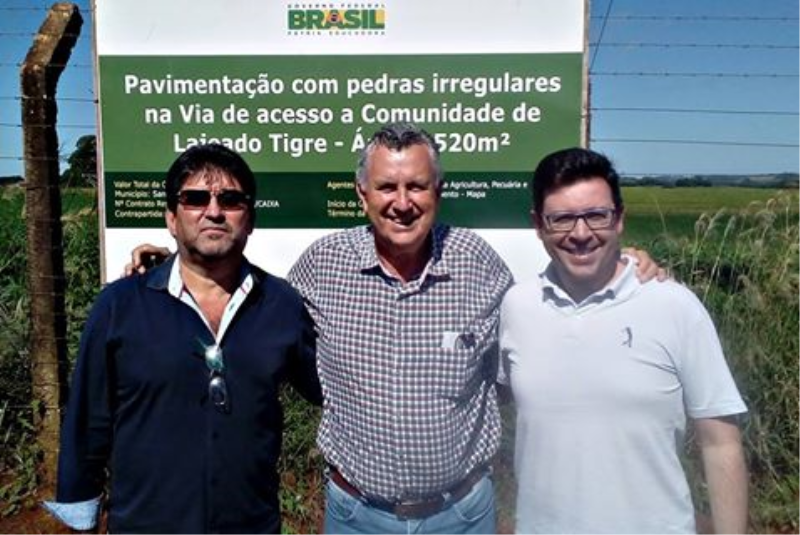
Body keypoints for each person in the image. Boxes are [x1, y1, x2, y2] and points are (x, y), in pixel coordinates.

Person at [125, 124, 664, 534]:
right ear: (362, 195)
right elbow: (246, 306)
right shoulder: (323, 266)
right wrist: (173, 266)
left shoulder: (480, 265)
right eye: (386, 186)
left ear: (438, 190)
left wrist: (621, 271)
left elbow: (549, 325)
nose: (402, 203)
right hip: (356, 515)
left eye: (417, 187)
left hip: (463, 515)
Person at [44, 143, 322, 534]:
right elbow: (88, 419)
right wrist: (80, 512)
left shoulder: (281, 304)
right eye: (194, 199)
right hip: (146, 525)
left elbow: (330, 387)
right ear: (172, 219)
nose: (213, 211)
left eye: (231, 199)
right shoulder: (120, 306)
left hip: (251, 524)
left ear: (251, 217)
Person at [499, 147, 748, 535]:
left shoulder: (674, 305)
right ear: (538, 225)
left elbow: (721, 443)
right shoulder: (516, 306)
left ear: (619, 219)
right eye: (561, 219)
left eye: (596, 215)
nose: (581, 234)